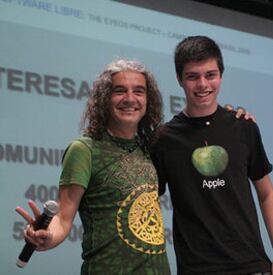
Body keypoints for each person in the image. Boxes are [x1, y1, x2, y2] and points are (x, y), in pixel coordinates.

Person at [151, 36, 273, 275]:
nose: (203, 84)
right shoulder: (164, 139)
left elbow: (266, 193)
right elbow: (149, 201)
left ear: (221, 75)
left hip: (252, 265)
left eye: (210, 75)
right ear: (179, 79)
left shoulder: (243, 126)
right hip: (197, 269)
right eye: (192, 76)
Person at [16, 59, 170, 274]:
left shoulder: (151, 148)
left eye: (139, 91)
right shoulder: (84, 150)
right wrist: (47, 236)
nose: (130, 99)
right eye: (119, 91)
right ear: (104, 98)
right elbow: (63, 218)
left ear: (148, 100)